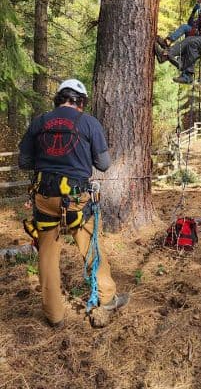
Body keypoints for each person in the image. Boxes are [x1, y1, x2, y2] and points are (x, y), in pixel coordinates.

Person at [18, 79, 129, 328]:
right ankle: (107, 298)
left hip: (44, 197)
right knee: (91, 246)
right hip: (76, 200)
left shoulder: (39, 122)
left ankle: (54, 315)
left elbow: (24, 162)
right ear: (81, 101)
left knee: (47, 254)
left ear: (59, 98)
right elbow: (103, 164)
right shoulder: (88, 123)